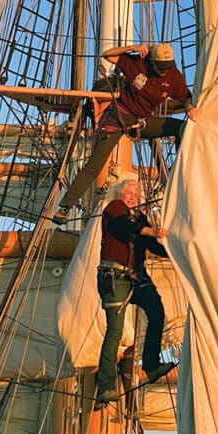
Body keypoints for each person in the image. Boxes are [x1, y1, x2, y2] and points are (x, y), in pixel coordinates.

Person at [56, 42, 197, 217]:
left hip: (140, 122)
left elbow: (186, 98)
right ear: (151, 62)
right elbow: (108, 54)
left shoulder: (173, 77)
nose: (163, 71)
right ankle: (65, 207)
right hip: (117, 117)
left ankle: (177, 180)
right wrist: (132, 48)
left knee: (180, 128)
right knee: (95, 164)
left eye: (167, 67)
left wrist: (190, 107)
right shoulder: (137, 63)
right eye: (160, 67)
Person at [95, 179, 176, 406]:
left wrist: (173, 248)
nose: (132, 196)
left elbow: (150, 245)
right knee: (115, 332)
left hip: (137, 275)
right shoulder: (115, 208)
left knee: (157, 312)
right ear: (120, 193)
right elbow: (123, 227)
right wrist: (151, 230)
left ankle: (150, 366)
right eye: (129, 192)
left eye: (136, 193)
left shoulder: (139, 217)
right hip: (115, 276)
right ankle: (106, 386)